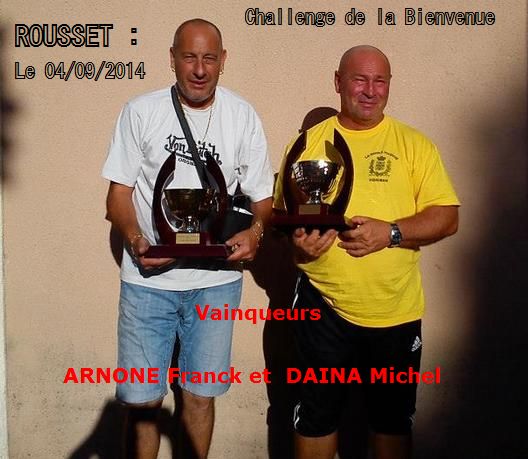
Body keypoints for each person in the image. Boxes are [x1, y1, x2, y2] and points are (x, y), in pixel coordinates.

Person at [273, 45, 460, 459]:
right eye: (360, 79)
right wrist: (298, 247)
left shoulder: (415, 144)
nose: (370, 91)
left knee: (392, 423)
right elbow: (283, 221)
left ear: (389, 85)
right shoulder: (306, 145)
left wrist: (391, 232)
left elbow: (447, 217)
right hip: (322, 307)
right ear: (338, 82)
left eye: (380, 81)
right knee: (316, 419)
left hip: (396, 310)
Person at [102, 19, 274, 459]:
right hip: (147, 284)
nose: (199, 69)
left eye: (209, 58)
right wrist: (136, 239)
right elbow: (118, 195)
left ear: (223, 61)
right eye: (190, 57)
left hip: (216, 284)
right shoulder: (141, 111)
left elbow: (263, 198)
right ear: (173, 58)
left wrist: (255, 233)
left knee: (200, 396)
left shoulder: (242, 115)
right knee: (142, 403)